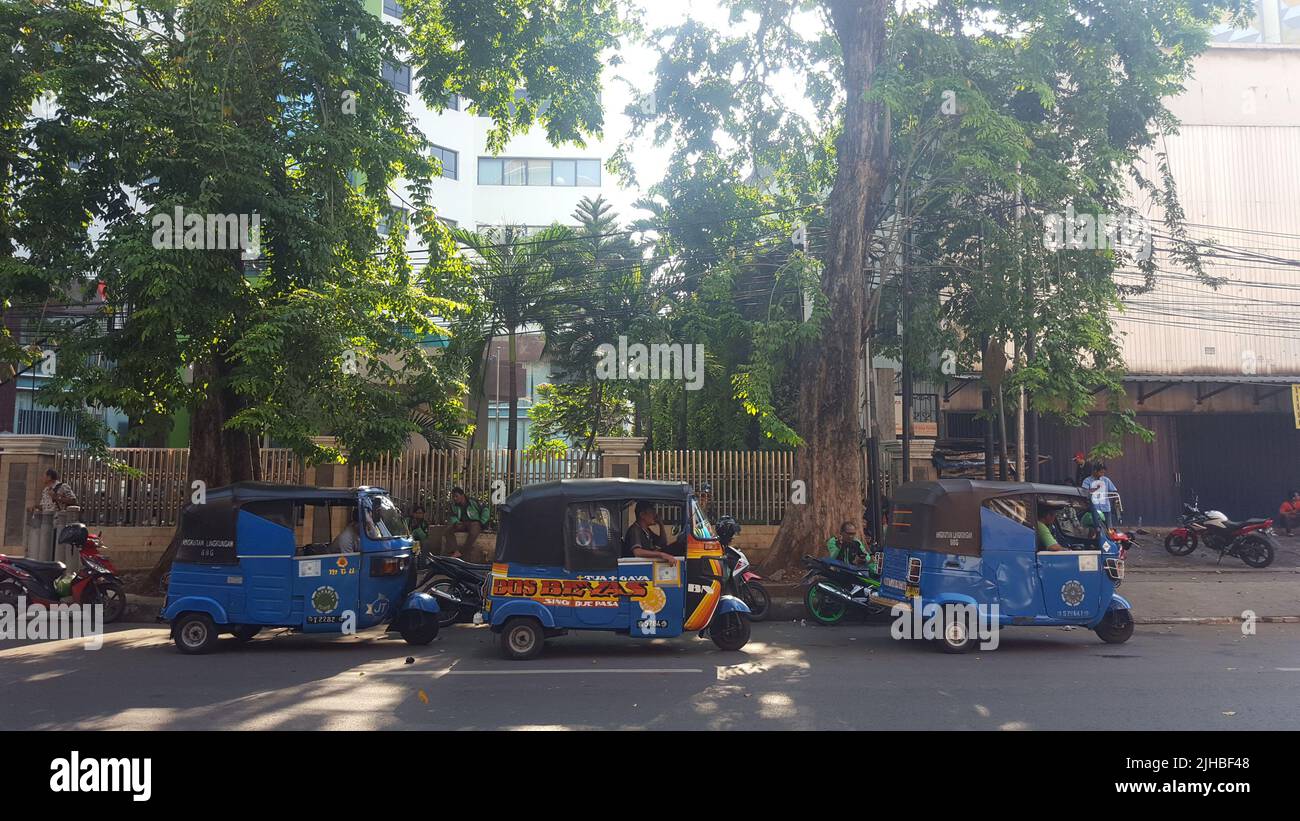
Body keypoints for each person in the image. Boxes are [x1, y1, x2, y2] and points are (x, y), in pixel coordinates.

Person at [445, 486, 489, 559]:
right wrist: (456, 523)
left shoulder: (473, 501)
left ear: (462, 495)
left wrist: (482, 522)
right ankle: (455, 551)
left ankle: (462, 552)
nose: (455, 498)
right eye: (453, 497)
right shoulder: (453, 506)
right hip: (462, 524)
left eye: (456, 496)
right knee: (448, 531)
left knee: (473, 532)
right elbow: (452, 516)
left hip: (475, 523)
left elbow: (486, 510)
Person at [1081, 464, 1118, 529]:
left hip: (1105, 508)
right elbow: (1084, 492)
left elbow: (1114, 491)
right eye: (1101, 472)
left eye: (1103, 472)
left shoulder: (1106, 480)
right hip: (1094, 509)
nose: (1102, 474)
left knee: (1108, 528)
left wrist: (1114, 498)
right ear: (1095, 471)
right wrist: (1096, 488)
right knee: (1096, 527)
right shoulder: (1087, 480)